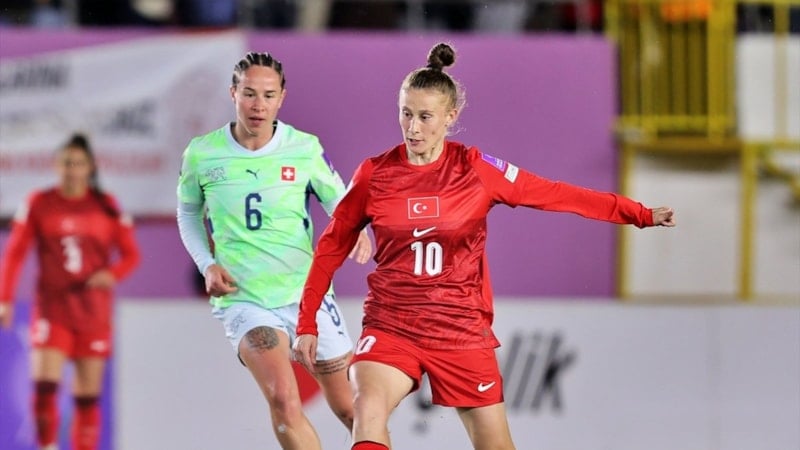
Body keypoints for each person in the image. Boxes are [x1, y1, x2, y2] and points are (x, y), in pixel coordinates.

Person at [292, 42, 676, 450]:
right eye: (405, 113)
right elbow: (331, 247)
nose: (413, 128)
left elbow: (555, 194)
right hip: (392, 324)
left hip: (460, 329)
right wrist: (306, 322)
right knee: (366, 407)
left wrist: (637, 213)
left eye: (425, 117)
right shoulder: (375, 174)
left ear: (450, 116)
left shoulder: (475, 169)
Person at [175, 51, 372, 450]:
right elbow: (189, 213)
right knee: (283, 398)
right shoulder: (203, 153)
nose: (258, 105)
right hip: (245, 298)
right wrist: (207, 264)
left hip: (306, 295)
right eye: (249, 93)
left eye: (268, 95)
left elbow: (340, 201)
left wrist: (355, 229)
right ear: (233, 93)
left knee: (354, 410)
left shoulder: (303, 148)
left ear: (282, 97)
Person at [0, 133, 141, 450]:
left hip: (93, 313)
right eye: (66, 163)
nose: (71, 170)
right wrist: (4, 299)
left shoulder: (106, 205)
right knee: (45, 387)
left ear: (90, 167)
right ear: (56, 166)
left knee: (87, 398)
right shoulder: (39, 203)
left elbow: (132, 255)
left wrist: (111, 274)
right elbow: (15, 253)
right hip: (53, 309)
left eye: (78, 164)